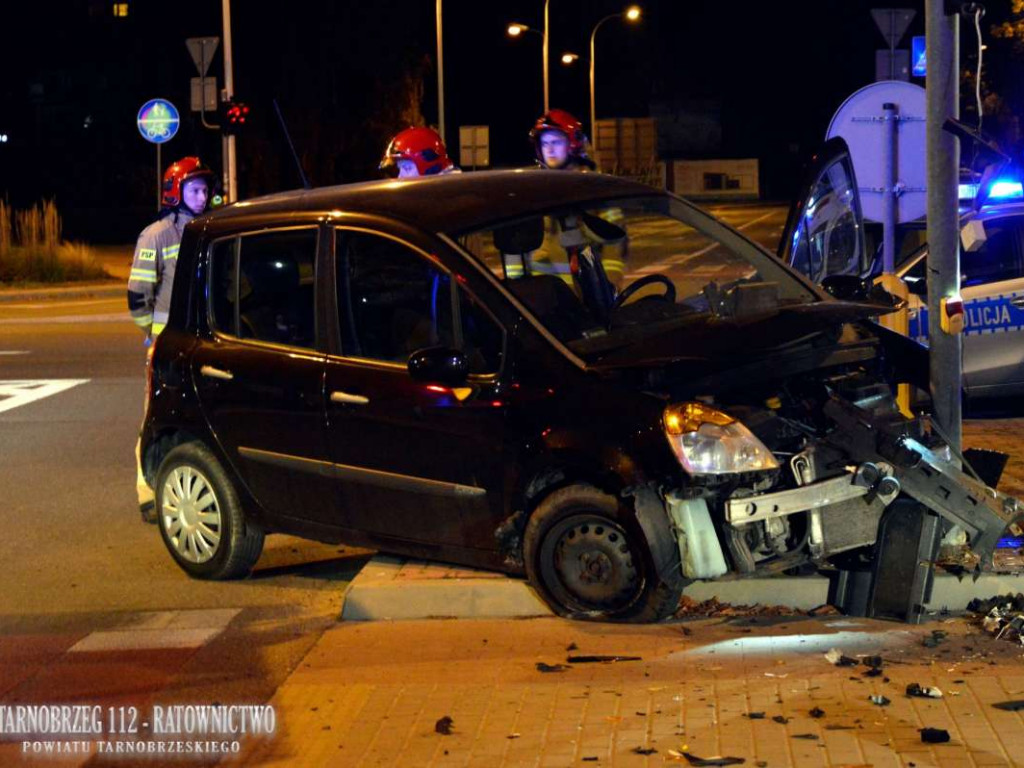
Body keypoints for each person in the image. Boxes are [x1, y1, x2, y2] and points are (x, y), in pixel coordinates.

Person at [128, 156, 216, 519]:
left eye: (205, 189)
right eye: (194, 189)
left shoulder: (210, 229)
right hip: (167, 342)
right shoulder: (156, 235)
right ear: (175, 192)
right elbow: (138, 294)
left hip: (202, 339)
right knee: (156, 415)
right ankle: (147, 491)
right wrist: (151, 335)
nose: (202, 196)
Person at [529, 109, 597, 171]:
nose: (549, 150)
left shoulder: (590, 182)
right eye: (545, 144)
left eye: (555, 143)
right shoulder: (535, 182)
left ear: (573, 145)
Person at [379, 127, 459, 178]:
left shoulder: (449, 198)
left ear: (430, 170)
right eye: (400, 169)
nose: (400, 176)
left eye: (407, 168)